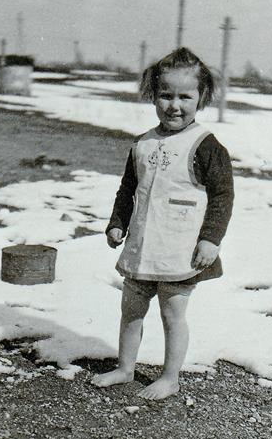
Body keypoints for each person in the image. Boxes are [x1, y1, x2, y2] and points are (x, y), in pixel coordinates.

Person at [92, 47, 234, 400]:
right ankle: (125, 369)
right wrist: (117, 223)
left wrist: (210, 240)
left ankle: (170, 378)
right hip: (141, 247)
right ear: (153, 96)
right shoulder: (142, 144)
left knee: (173, 313)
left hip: (180, 249)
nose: (174, 105)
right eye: (165, 95)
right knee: (131, 310)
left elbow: (222, 197)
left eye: (185, 96)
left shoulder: (206, 146)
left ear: (201, 98)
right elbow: (128, 189)